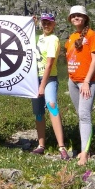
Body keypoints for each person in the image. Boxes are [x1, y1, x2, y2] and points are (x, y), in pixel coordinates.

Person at [31, 13, 69, 160]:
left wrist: (42, 86)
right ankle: (41, 145)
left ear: (54, 24)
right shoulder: (37, 38)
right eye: (44, 22)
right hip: (34, 79)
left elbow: (49, 64)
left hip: (49, 78)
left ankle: (61, 146)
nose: (46, 25)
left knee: (52, 104)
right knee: (38, 111)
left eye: (49, 23)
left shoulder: (54, 39)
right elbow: (25, 39)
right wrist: (31, 24)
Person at [65, 5, 95, 166]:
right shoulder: (72, 37)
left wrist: (86, 81)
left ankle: (84, 153)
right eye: (73, 16)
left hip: (87, 82)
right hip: (72, 81)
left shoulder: (92, 35)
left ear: (85, 18)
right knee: (80, 114)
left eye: (79, 15)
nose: (76, 18)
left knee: (85, 115)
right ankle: (84, 149)